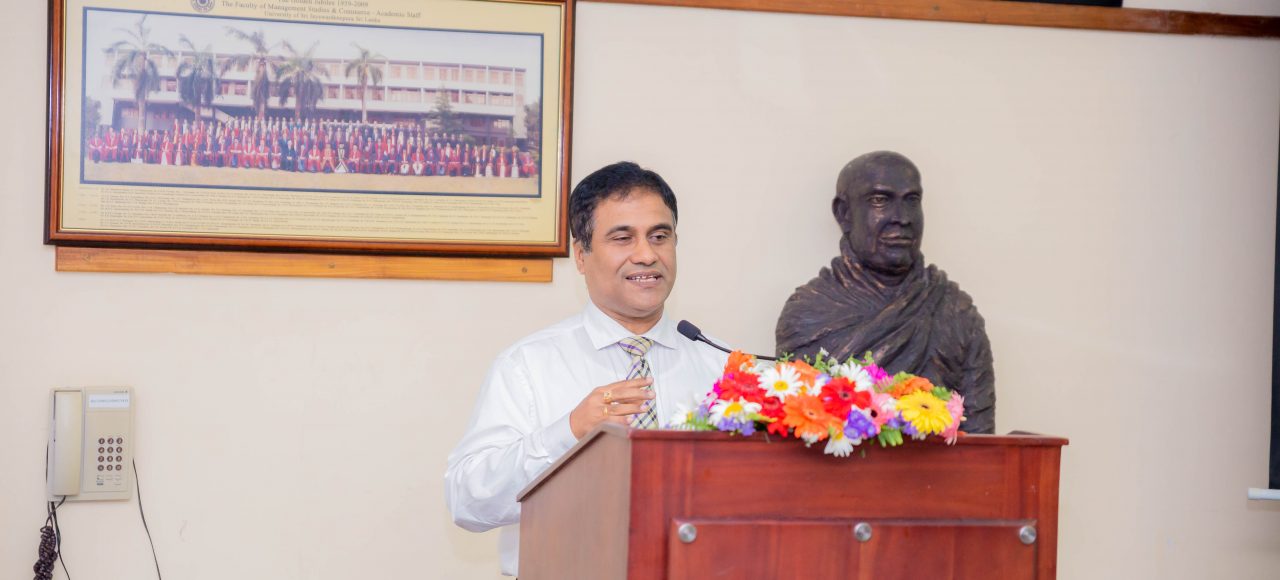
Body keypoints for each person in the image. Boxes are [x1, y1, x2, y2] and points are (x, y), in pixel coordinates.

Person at [445, 162, 727, 577]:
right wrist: (569, 431)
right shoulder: (528, 366)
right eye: (622, 238)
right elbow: (468, 502)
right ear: (581, 255)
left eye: (659, 236)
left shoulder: (721, 368)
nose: (647, 254)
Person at [774, 151, 995, 433]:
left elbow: (981, 443)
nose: (902, 218)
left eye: (912, 200)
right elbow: (799, 433)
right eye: (880, 200)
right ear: (844, 213)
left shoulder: (956, 313)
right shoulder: (807, 315)